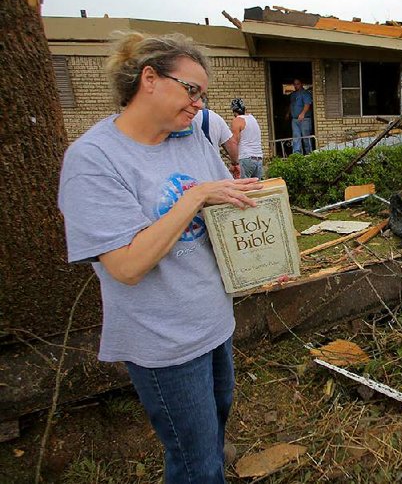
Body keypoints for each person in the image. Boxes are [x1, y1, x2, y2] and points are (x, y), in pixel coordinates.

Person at [58, 31, 261, 483]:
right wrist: (194, 197)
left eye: (203, 95)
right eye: (191, 90)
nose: (198, 105)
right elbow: (127, 266)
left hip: (213, 319)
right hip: (163, 340)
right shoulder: (94, 159)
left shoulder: (188, 138)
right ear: (149, 79)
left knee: (217, 421)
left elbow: (223, 210)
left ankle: (209, 451)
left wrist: (264, 258)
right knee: (196, 464)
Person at [194, 104, 241, 178]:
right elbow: (232, 143)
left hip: (192, 170)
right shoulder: (215, 117)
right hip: (212, 169)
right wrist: (235, 163)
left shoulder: (182, 117)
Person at [230, 98, 264, 179]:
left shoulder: (237, 121)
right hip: (258, 158)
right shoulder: (252, 119)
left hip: (245, 158)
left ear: (234, 111)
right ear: (245, 109)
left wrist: (233, 163)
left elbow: (234, 142)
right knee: (257, 189)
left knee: (243, 188)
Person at [286, 78, 313, 155]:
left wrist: (303, 113)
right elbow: (291, 105)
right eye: (294, 84)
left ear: (301, 84)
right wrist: (288, 113)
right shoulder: (293, 94)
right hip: (295, 119)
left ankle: (309, 154)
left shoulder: (305, 93)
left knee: (306, 137)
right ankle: (297, 155)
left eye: (297, 84)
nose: (296, 85)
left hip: (304, 119)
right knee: (296, 137)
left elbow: (307, 104)